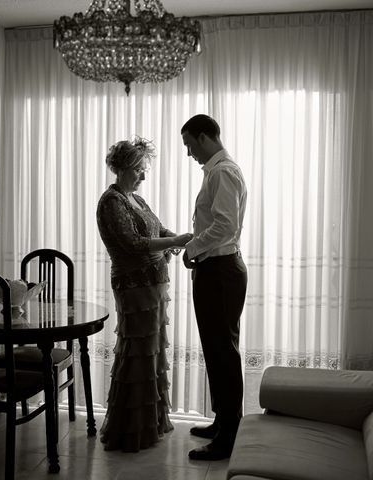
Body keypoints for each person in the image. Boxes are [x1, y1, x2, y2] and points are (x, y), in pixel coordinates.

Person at [96, 136, 193, 452]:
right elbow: (133, 244)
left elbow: (160, 231)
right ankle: (129, 430)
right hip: (133, 286)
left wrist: (185, 238)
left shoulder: (137, 200)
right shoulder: (112, 202)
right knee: (136, 353)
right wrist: (175, 241)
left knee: (150, 353)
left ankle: (148, 424)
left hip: (153, 284)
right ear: (122, 168)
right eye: (139, 169)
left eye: (144, 169)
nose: (143, 176)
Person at [180, 114, 248, 461]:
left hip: (220, 271)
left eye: (190, 145)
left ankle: (228, 436)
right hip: (217, 269)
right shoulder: (219, 171)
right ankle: (223, 421)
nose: (190, 153)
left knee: (223, 352)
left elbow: (224, 226)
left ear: (204, 137)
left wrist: (191, 249)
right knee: (216, 349)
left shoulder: (222, 172)